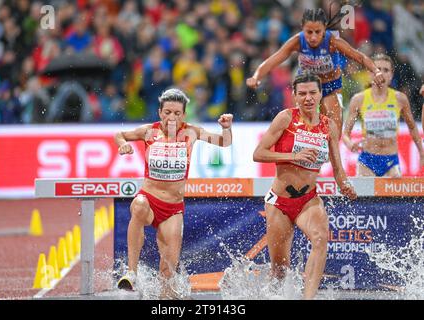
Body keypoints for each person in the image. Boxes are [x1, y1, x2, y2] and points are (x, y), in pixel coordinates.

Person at [114, 88, 233, 296]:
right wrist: (123, 144)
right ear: (160, 112)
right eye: (167, 112)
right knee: (139, 205)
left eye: (177, 113)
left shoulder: (192, 132)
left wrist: (226, 128)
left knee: (168, 273)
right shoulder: (148, 131)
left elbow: (225, 142)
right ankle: (131, 272)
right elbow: (119, 134)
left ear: (184, 115)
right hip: (149, 200)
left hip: (173, 209)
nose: (172, 117)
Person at [253, 72, 357, 300]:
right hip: (279, 202)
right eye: (302, 94)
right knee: (280, 270)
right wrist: (293, 156)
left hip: (308, 199)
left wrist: (345, 184)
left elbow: (338, 168)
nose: (308, 98)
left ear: (320, 95)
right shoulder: (285, 118)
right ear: (294, 95)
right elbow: (258, 154)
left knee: (320, 239)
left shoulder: (328, 126)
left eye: (312, 93)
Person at [246, 8, 385, 138]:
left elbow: (359, 56)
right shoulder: (297, 41)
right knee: (303, 128)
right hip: (307, 87)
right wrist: (256, 76)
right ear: (302, 29)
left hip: (331, 87)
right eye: (309, 32)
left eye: (318, 32)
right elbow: (273, 60)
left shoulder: (333, 41)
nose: (313, 37)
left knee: (334, 134)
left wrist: (376, 71)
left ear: (325, 29)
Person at [342, 54, 424, 177]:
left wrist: (421, 153)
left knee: (394, 196)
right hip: (367, 161)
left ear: (391, 75)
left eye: (386, 70)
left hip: (391, 161)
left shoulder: (400, 98)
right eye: (377, 69)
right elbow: (346, 134)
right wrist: (350, 144)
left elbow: (412, 128)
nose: (381, 73)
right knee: (364, 196)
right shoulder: (358, 99)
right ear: (370, 73)